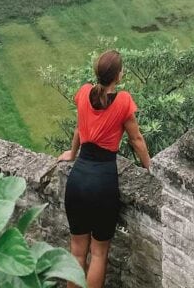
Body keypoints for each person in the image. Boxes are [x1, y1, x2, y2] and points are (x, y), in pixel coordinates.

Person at [58, 49, 151, 288]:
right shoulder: (122, 102)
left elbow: (80, 127)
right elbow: (136, 139)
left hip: (77, 181)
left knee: (77, 253)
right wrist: (150, 167)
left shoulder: (83, 93)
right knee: (98, 254)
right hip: (103, 183)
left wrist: (72, 153)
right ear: (118, 76)